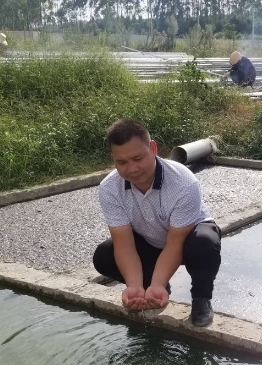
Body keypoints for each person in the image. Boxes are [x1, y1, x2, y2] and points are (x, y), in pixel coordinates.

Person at [93, 118, 221, 327]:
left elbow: (175, 243)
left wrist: (158, 281)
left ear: (153, 148)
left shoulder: (183, 182)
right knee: (104, 255)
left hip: (187, 238)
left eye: (138, 158)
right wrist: (133, 285)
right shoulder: (109, 188)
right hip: (150, 238)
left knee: (205, 243)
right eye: (121, 162)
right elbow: (124, 244)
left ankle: (201, 299)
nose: (132, 169)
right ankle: (148, 290)